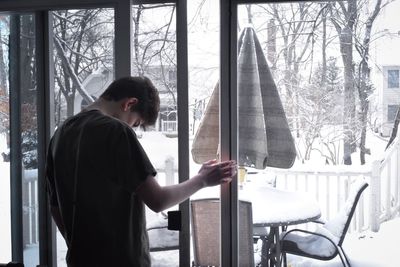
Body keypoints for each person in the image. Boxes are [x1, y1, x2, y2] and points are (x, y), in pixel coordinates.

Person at [45, 76, 236, 267]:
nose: (131, 128)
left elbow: (55, 208)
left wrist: (79, 245)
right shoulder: (116, 131)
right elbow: (158, 200)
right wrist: (202, 179)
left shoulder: (60, 134)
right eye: (135, 123)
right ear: (129, 103)